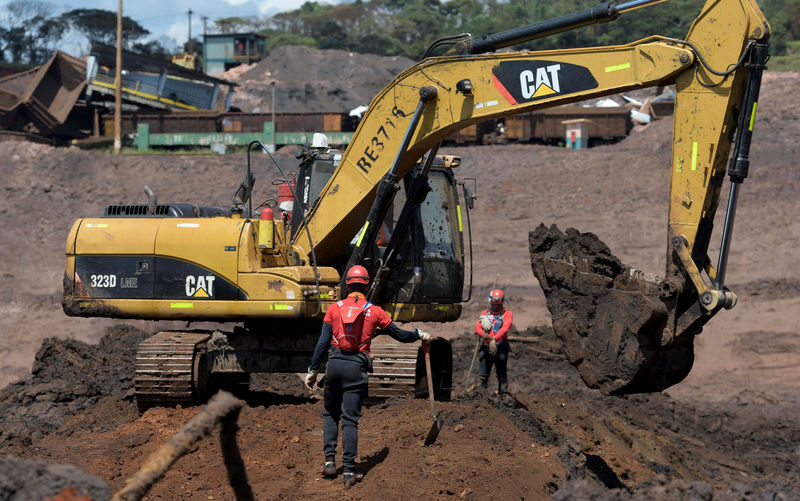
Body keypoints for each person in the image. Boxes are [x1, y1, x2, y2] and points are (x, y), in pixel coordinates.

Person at [305, 265, 431, 488]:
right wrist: (419, 334)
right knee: (350, 420)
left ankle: (329, 462)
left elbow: (323, 343)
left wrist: (313, 370)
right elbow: (401, 336)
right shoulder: (375, 311)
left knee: (331, 414)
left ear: (347, 285)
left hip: (334, 366)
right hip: (356, 368)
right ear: (366, 285)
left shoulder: (334, 309)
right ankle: (349, 472)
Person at [474, 288, 513, 394]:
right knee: (482, 376)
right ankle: (481, 398)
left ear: (502, 303)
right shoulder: (485, 313)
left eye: (498, 305)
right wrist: (484, 335)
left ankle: (503, 397)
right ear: (490, 303)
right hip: (486, 347)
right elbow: (477, 328)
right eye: (494, 304)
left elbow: (505, 328)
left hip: (500, 347)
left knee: (502, 376)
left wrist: (494, 339)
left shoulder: (507, 314)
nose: (495, 307)